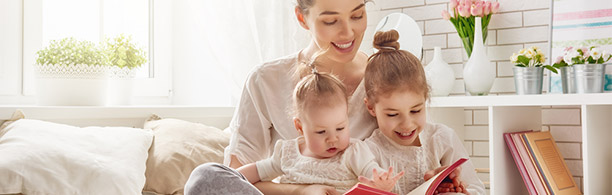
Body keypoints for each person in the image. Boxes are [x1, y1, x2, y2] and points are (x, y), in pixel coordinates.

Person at [184, 0, 377, 194]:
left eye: (357, 16)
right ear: (302, 18)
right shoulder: (266, 80)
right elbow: (235, 179)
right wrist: (298, 191)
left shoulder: (386, 81)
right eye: (330, 21)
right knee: (206, 177)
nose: (348, 32)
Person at [237, 67, 403, 193]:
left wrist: (382, 181)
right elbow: (253, 173)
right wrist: (229, 176)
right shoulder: (287, 153)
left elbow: (371, 171)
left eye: (340, 128)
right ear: (300, 127)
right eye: (321, 132)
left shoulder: (353, 152)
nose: (333, 139)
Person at [362, 30, 486, 195]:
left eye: (415, 110)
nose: (407, 124)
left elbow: (477, 189)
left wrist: (458, 190)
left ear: (425, 99)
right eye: (392, 114)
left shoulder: (442, 138)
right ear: (370, 107)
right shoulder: (369, 152)